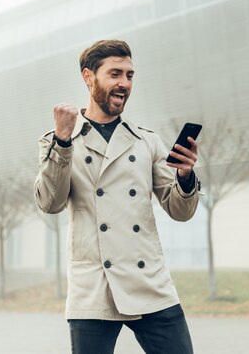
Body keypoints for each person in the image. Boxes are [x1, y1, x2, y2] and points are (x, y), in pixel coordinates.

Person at [34, 39, 200, 354]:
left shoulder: (147, 141)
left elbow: (180, 210)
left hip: (149, 282)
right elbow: (50, 203)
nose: (124, 83)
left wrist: (185, 176)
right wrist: (63, 141)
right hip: (94, 287)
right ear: (88, 77)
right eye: (115, 74)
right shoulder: (58, 140)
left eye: (130, 75)